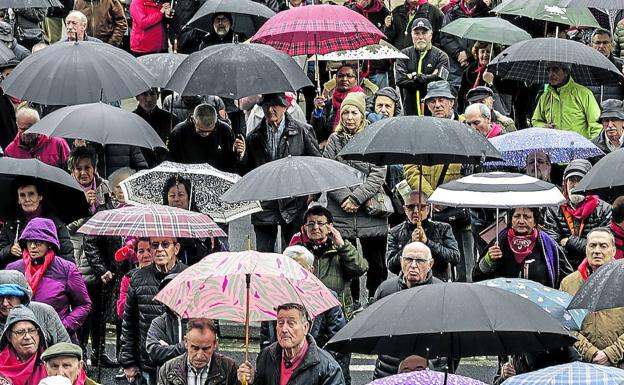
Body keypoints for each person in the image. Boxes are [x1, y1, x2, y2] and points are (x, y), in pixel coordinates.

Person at [323, 92, 389, 303]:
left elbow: (378, 174)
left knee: (376, 263)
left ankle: (375, 299)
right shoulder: (335, 140)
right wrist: (344, 198)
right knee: (346, 261)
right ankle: (351, 303)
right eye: (346, 113)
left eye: (354, 113)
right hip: (341, 210)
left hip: (370, 210)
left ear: (362, 115)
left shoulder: (374, 138)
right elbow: (326, 172)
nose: (349, 117)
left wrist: (357, 198)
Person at [237, 92, 321, 253]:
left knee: (294, 256)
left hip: (294, 203)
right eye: (266, 106)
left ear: (285, 107)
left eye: (274, 106)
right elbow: (247, 174)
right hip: (264, 204)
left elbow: (316, 165)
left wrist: (312, 195)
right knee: (264, 257)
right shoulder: (254, 136)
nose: (270, 111)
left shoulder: (302, 131)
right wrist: (241, 157)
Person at [260, 246, 351, 384]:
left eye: (300, 268)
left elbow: (338, 347)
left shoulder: (327, 299)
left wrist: (312, 369)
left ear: (311, 271)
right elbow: (266, 339)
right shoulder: (273, 298)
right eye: (289, 268)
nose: (294, 274)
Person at [6, 218, 92, 343]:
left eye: (38, 242)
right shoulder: (13, 269)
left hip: (57, 341)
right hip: (21, 342)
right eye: (30, 242)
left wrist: (62, 327)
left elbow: (84, 305)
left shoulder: (67, 269)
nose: (33, 246)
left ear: (49, 243)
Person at [119, 236, 187, 385]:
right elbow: (129, 324)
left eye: (165, 244)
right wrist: (129, 362)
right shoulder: (138, 278)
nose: (160, 249)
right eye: (155, 245)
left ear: (176, 249)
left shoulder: (188, 276)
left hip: (184, 363)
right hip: (149, 364)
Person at [372, 242, 442, 378]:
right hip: (389, 369)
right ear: (401, 261)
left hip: (431, 368)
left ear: (430, 264)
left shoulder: (441, 292)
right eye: (409, 259)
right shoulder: (386, 291)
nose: (413, 265)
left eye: (420, 261)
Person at [560, 228, 624, 368]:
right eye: (592, 245)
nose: (597, 250)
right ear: (586, 250)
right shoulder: (569, 283)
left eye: (603, 246)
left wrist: (611, 354)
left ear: (613, 251)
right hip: (583, 365)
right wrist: (592, 353)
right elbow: (565, 326)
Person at [237, 303, 344, 385]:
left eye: (291, 324)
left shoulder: (329, 369)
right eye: (280, 323)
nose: (284, 329)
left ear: (305, 327)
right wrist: (252, 380)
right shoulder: (266, 356)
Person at [289, 205, 367, 314]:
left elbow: (361, 268)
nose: (315, 227)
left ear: (330, 226)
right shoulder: (296, 250)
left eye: (320, 223)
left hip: (337, 310)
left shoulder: (340, 248)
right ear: (305, 227)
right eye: (310, 224)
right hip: (305, 310)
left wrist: (342, 246)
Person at [473, 208, 569, 288]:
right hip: (506, 302)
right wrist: (488, 260)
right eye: (517, 216)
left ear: (535, 221)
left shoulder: (547, 244)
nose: (521, 221)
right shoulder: (500, 242)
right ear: (511, 220)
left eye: (527, 217)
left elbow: (566, 279)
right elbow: (477, 276)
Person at [543, 159, 612, 269]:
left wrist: (569, 241)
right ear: (565, 183)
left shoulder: (604, 210)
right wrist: (585, 245)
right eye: (572, 180)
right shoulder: (553, 209)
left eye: (580, 180)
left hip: (595, 269)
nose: (575, 185)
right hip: (563, 269)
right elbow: (551, 246)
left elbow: (602, 247)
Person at [387, 189, 459, 282]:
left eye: (421, 207)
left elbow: (454, 257)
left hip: (436, 282)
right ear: (405, 209)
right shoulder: (394, 233)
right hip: (407, 284)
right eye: (411, 207)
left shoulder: (443, 229)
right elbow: (391, 265)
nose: (416, 211)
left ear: (428, 209)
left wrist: (428, 242)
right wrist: (410, 244)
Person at [0, 178, 75, 268]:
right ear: (18, 200)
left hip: (50, 277)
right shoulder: (10, 225)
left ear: (40, 196)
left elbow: (68, 257)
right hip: (18, 277)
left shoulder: (56, 224)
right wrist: (9, 250)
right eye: (22, 195)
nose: (27, 199)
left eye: (31, 194)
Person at [162, 176, 226, 263]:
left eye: (181, 195)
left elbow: (214, 252)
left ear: (189, 197)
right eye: (172, 196)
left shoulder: (203, 221)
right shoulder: (160, 221)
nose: (176, 199)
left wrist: (194, 246)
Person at [531, 62, 602, 140]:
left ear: (566, 72)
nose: (551, 74)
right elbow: (536, 121)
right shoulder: (545, 97)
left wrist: (591, 147)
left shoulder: (584, 94)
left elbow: (596, 125)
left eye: (555, 70)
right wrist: (543, 126)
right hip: (553, 147)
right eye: (549, 70)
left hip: (578, 148)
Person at [157, 318, 238, 385]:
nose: (199, 356)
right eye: (195, 348)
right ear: (186, 342)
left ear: (215, 344)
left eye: (206, 349)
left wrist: (246, 381)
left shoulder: (229, 368)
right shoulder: (168, 370)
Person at [395, 18, 449, 116]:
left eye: (424, 33)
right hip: (410, 113)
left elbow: (441, 81)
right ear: (411, 35)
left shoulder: (441, 56)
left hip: (434, 114)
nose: (420, 37)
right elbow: (400, 80)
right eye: (417, 33)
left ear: (431, 34)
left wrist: (415, 77)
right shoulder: (403, 55)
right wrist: (430, 78)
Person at [0, 270, 70, 346]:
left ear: (22, 297)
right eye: (0, 298)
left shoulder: (45, 313)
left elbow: (65, 348)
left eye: (11, 297)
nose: (5, 303)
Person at [167, 104, 239, 172]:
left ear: (215, 122)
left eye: (210, 130)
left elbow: (231, 160)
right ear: (193, 120)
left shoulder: (225, 130)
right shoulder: (179, 132)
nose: (206, 134)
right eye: (201, 131)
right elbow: (172, 161)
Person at [440, 0, 491, 91]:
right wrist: (458, 53)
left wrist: (469, 54)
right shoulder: (452, 12)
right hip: (455, 69)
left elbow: (486, 40)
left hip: (476, 70)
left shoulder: (486, 14)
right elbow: (445, 37)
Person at [311, 64, 366, 145]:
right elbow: (317, 134)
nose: (344, 79)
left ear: (356, 80)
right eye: (340, 76)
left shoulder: (364, 102)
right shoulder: (329, 104)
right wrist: (318, 111)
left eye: (349, 76)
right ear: (336, 79)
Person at [344, 0, 392, 89]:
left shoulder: (382, 11)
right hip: (356, 68)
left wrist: (386, 26)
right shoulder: (350, 11)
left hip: (378, 67)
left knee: (381, 98)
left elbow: (388, 37)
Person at [4, 107, 70, 168]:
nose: (26, 133)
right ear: (17, 125)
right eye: (22, 129)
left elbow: (70, 169)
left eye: (30, 129)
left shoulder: (58, 144)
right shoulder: (10, 151)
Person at [0, 306, 48, 385]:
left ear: (39, 334)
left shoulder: (52, 363)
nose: (27, 337)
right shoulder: (1, 364)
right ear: (9, 336)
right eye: (20, 332)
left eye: (31, 331)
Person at [133, 88, 178, 167]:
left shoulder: (170, 119)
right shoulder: (131, 119)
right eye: (144, 94)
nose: (149, 99)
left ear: (158, 95)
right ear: (137, 97)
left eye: (152, 93)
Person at [588, 29, 624, 103]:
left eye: (605, 43)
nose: (601, 46)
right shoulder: (582, 66)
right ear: (591, 45)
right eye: (598, 43)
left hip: (615, 111)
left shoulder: (620, 65)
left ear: (612, 45)